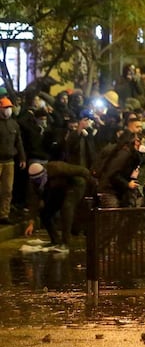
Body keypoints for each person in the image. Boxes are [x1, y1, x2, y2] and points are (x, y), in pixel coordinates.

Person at [25, 160, 93, 251]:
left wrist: (93, 185)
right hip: (58, 190)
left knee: (67, 208)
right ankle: (55, 240)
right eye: (36, 180)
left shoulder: (57, 168)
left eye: (39, 179)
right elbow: (34, 201)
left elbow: (82, 171)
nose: (38, 182)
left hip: (75, 185)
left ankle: (65, 242)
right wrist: (31, 222)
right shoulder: (34, 184)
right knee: (45, 213)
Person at [0, 97, 25, 225]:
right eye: (5, 108)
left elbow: (18, 142)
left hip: (9, 161)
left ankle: (4, 214)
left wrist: (22, 157)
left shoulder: (13, 124)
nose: (8, 110)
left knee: (7, 190)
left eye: (9, 107)